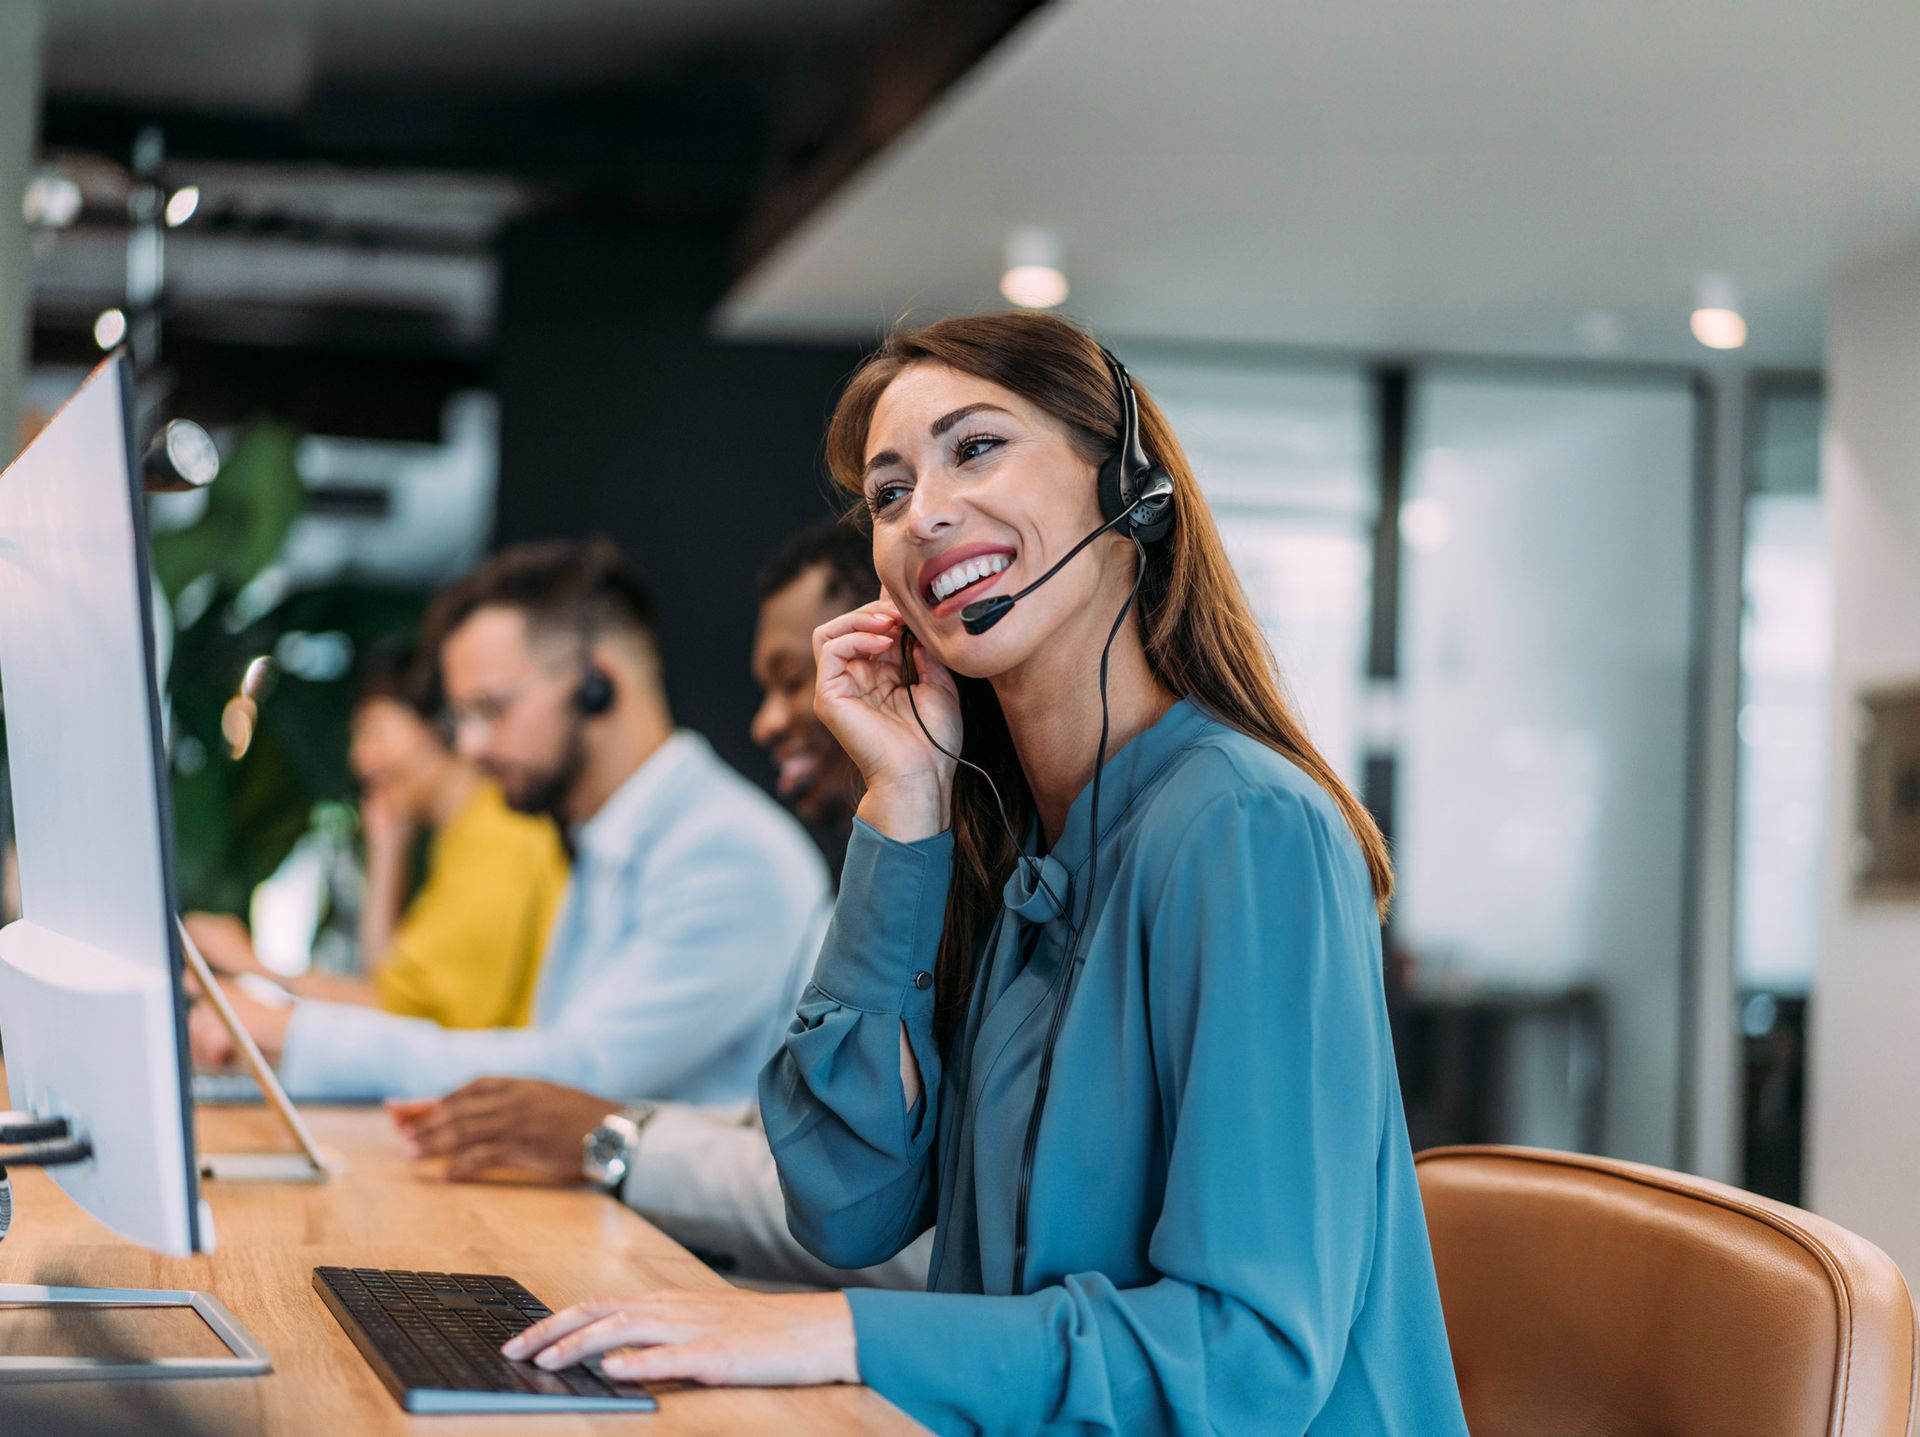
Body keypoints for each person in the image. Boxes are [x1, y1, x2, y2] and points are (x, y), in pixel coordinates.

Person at [500, 314, 1468, 1435]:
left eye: (975, 449)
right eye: (888, 493)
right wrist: (902, 805)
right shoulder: (1008, 840)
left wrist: (831, 1335)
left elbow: (1246, 1356)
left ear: (1128, 487)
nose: (926, 514)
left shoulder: (1246, 828)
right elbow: (845, 1205)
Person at [393, 521, 929, 1291]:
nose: (767, 720)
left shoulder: (734, 852)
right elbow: (788, 1139)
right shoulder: (870, 879)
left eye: (806, 677)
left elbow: (866, 1206)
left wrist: (610, 1136)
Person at [192, 538, 829, 1106]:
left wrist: (296, 1035)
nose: (468, 747)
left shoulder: (725, 852)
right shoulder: (608, 836)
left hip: (682, 1241)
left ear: (596, 684)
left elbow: (578, 1075)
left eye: (491, 710)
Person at [184, 643, 569, 1030]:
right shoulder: (468, 832)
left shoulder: (500, 831)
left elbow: (405, 1014)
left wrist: (255, 966)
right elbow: (392, 985)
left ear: (439, 724)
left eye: (374, 730)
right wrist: (387, 851)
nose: (360, 758)